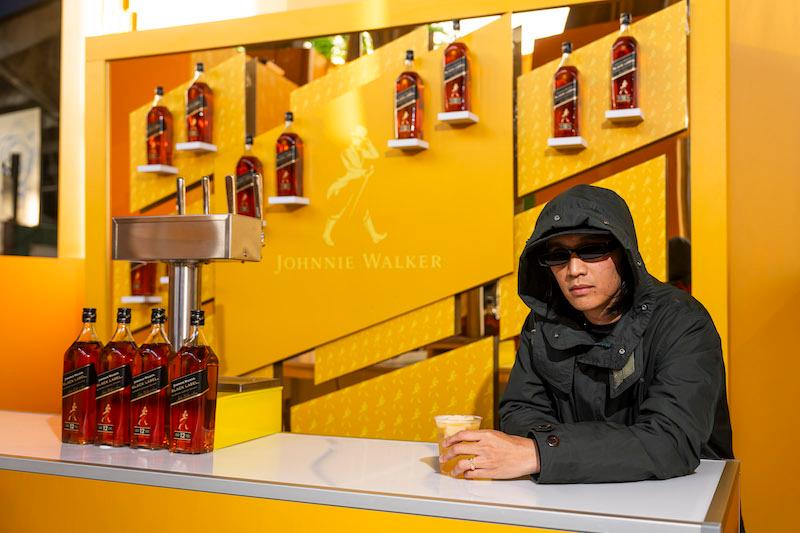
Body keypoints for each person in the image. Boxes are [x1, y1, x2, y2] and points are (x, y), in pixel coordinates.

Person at [440, 184, 735, 483]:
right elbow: (521, 410)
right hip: (574, 502)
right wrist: (551, 453)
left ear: (624, 253)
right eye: (558, 255)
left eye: (592, 250)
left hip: (685, 505)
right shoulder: (542, 324)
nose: (574, 269)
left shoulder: (682, 321)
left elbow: (670, 440)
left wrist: (542, 453)